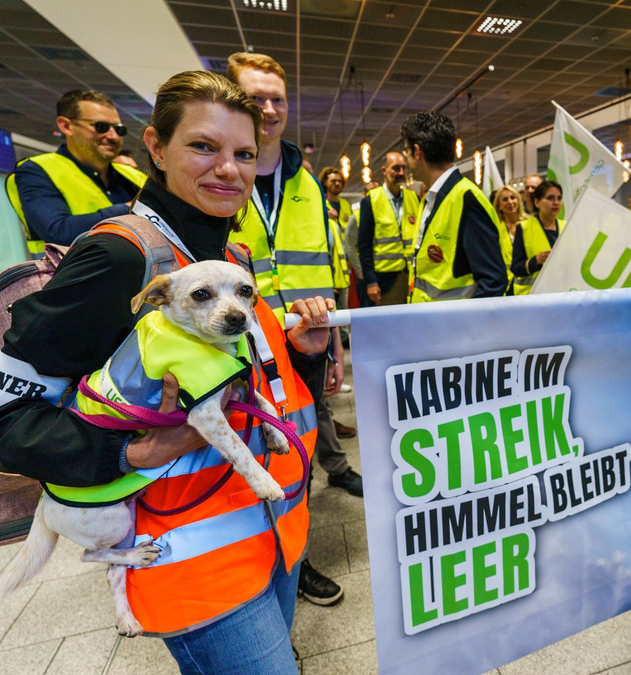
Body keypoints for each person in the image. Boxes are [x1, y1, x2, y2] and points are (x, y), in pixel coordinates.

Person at [0, 70, 326, 674]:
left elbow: (231, 376)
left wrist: (301, 349)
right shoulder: (118, 257)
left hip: (271, 529)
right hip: (190, 560)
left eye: (244, 153)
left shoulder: (226, 258)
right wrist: (131, 454)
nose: (228, 169)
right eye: (203, 147)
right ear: (155, 146)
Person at [225, 52, 353, 607]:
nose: (270, 108)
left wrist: (336, 350)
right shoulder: (221, 175)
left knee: (294, 449)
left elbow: (324, 266)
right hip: (237, 346)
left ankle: (294, 557)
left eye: (278, 98)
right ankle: (270, 565)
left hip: (302, 347)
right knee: (248, 455)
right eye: (256, 97)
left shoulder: (306, 183)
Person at [7, 89, 147, 256]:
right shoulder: (36, 170)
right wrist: (131, 209)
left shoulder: (133, 175)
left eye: (119, 130)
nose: (113, 136)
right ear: (66, 126)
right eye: (101, 126)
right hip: (77, 276)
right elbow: (59, 233)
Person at [402, 111, 511, 301]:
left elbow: (494, 281)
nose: (407, 161)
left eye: (407, 152)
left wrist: (465, 327)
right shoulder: (432, 198)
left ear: (418, 152)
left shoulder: (466, 199)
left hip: (451, 327)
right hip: (427, 321)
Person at [358, 151, 422, 306]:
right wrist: (371, 282)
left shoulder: (414, 198)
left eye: (403, 168)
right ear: (384, 170)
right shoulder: (371, 201)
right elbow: (364, 246)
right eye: (396, 168)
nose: (401, 172)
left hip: (413, 275)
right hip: (385, 279)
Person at [511, 180, 564, 295]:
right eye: (550, 198)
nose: (556, 202)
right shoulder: (524, 228)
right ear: (537, 202)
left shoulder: (567, 226)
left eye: (559, 198)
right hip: (535, 297)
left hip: (563, 294)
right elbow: (516, 268)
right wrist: (536, 261)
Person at [320, 167, 353, 326]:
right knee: (329, 304)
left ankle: (344, 338)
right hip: (328, 261)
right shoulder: (320, 203)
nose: (337, 184)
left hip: (344, 262)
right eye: (334, 181)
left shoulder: (346, 205)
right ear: (325, 182)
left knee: (342, 305)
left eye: (340, 181)